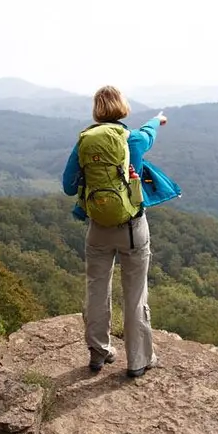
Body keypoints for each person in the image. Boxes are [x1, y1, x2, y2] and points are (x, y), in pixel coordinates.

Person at [60, 86, 181, 378]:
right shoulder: (135, 139)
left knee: (96, 290)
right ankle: (138, 361)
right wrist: (158, 119)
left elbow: (67, 186)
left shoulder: (85, 142)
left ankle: (98, 353)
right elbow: (149, 132)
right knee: (135, 294)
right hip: (132, 229)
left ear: (97, 111)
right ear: (122, 109)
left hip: (97, 229)